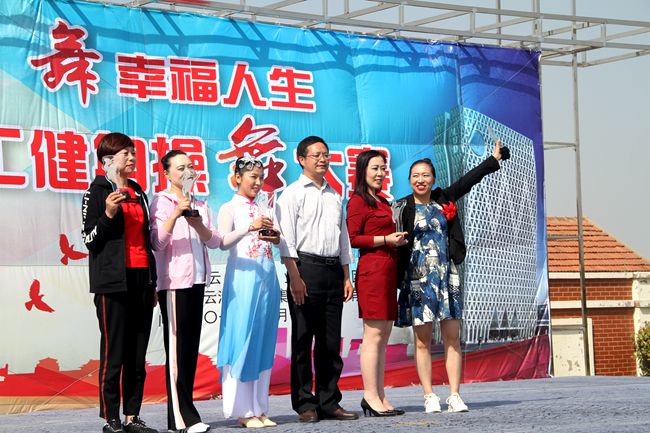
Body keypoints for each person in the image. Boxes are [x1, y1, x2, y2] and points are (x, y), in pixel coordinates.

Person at [394, 140, 508, 414]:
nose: (420, 180)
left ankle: (455, 395)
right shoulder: (401, 206)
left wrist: (493, 160)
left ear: (433, 179)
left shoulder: (443, 198)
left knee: (452, 338)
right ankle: (429, 395)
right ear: (409, 180)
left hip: (447, 277)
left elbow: (469, 180)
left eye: (426, 175)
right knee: (422, 341)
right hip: (418, 280)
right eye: (415, 176)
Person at [276, 136, 358, 423]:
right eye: (316, 155)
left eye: (326, 155)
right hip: (305, 268)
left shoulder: (335, 195)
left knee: (330, 341)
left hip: (333, 271)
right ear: (301, 159)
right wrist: (295, 276)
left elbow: (343, 238)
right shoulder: (291, 194)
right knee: (302, 339)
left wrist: (346, 275)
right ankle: (304, 403)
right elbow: (285, 240)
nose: (323, 159)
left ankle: (329, 401)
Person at [81, 132, 158, 433]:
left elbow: (147, 239)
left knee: (137, 354)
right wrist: (108, 213)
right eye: (126, 153)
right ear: (108, 160)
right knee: (114, 353)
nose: (132, 157)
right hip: (113, 282)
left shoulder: (138, 191)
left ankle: (132, 416)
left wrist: (152, 280)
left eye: (133, 152)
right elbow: (90, 240)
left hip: (141, 279)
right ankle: (110, 417)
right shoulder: (96, 192)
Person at [149, 150, 221, 433]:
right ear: (167, 173)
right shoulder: (161, 201)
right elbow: (157, 242)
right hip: (174, 284)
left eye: (190, 166)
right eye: (180, 167)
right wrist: (176, 213)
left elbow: (213, 241)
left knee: (189, 351)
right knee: (177, 353)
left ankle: (181, 416)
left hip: (198, 281)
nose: (187, 171)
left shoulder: (201, 203)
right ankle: (183, 419)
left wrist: (197, 222)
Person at [216, 155, 282, 429]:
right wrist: (248, 228)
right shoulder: (229, 207)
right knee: (242, 338)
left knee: (263, 341)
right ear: (238, 178)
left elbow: (278, 239)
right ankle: (242, 410)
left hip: (267, 277)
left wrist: (274, 235)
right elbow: (222, 242)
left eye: (261, 177)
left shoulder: (265, 206)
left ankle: (259, 407)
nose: (257, 182)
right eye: (252, 176)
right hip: (243, 280)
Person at [345, 150, 408, 417]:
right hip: (372, 272)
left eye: (383, 168)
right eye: (375, 168)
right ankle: (370, 395)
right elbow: (353, 238)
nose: (380, 173)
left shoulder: (382, 201)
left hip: (388, 271)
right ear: (362, 171)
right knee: (372, 336)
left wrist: (398, 240)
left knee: (383, 335)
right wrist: (386, 240)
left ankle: (379, 394)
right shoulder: (358, 201)